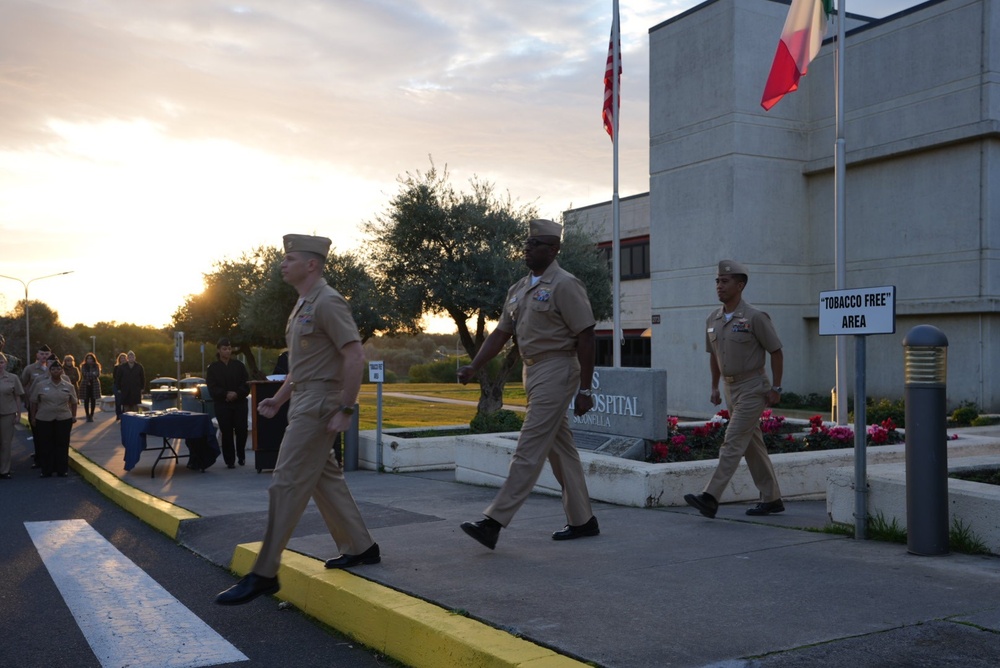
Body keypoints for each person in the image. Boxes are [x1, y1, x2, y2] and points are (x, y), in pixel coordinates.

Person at [215, 233, 378, 606]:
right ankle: (361, 546)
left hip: (321, 403)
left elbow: (354, 356)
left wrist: (346, 409)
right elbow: (302, 366)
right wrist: (278, 398)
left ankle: (264, 572)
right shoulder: (302, 303)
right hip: (305, 399)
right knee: (326, 480)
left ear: (312, 264)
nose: (282, 264)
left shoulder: (328, 302)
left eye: (290, 258)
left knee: (284, 482)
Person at [457, 218, 599, 550]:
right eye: (527, 243)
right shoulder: (520, 288)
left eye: (535, 245)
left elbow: (587, 335)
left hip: (559, 367)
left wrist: (586, 389)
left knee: (530, 445)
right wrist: (475, 367)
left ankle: (494, 522)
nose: (527, 248)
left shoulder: (566, 284)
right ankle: (583, 520)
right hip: (532, 371)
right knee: (559, 448)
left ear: (553, 249)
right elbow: (500, 334)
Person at [684, 260, 785, 519]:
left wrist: (776, 387)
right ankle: (772, 499)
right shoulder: (713, 319)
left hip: (753, 386)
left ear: (740, 285)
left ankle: (710, 496)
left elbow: (776, 351)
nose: (719, 285)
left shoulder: (755, 317)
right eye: (717, 281)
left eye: (725, 281)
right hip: (730, 388)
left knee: (732, 441)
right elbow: (714, 355)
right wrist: (714, 386)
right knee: (752, 445)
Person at [29, 358, 78, 478]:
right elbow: (34, 402)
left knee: (62, 444)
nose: (56, 371)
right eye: (53, 369)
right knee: (46, 444)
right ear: (49, 371)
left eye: (58, 369)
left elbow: (74, 401)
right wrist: (33, 417)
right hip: (44, 418)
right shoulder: (41, 385)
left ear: (62, 371)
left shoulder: (68, 386)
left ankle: (62, 469)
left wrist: (73, 416)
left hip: (63, 418)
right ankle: (46, 470)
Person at [206, 337, 250, 468]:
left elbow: (245, 384)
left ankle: (241, 456)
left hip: (239, 403)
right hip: (223, 404)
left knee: (242, 430)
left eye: (229, 349)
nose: (227, 351)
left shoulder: (239, 366)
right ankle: (229, 460)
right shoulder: (213, 368)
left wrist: (237, 393)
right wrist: (225, 394)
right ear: (219, 350)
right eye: (224, 349)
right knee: (227, 432)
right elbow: (212, 387)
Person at [20, 344, 52, 468]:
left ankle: (49, 458)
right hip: (35, 407)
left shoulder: (54, 368)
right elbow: (23, 384)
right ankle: (39, 458)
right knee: (37, 433)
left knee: (50, 434)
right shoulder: (30, 369)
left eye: (47, 354)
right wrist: (27, 400)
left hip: (49, 407)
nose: (44, 356)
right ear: (37, 355)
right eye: (42, 354)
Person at [0, 353, 25, 479]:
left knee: (6, 443)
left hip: (7, 414)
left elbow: (17, 397)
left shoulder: (13, 378)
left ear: (5, 363)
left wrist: (18, 415)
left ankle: (4, 470)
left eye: (1, 362)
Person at [80, 353, 103, 422]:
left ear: (93, 359)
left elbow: (97, 374)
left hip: (94, 384)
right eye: (88, 358)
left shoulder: (96, 365)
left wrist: (91, 374)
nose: (89, 360)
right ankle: (87, 414)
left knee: (93, 400)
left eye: (91, 358)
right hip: (85, 384)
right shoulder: (83, 366)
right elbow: (84, 374)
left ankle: (91, 415)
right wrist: (92, 373)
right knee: (86, 400)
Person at [112, 352, 128, 419]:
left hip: (126, 386)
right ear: (119, 359)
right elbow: (114, 376)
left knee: (125, 401)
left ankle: (124, 414)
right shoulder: (116, 367)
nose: (123, 359)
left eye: (124, 358)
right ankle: (118, 414)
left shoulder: (128, 367)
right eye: (121, 358)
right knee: (118, 401)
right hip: (117, 385)